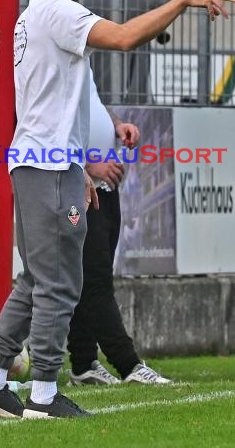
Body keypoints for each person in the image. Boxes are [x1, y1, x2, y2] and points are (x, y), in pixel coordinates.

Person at [0, 0, 235, 420]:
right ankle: (44, 396)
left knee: (36, 280)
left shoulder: (36, 14)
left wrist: (80, 169)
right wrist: (182, 1)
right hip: (48, 168)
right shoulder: (59, 11)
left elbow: (59, 104)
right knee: (61, 283)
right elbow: (125, 36)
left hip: (46, 164)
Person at [67, 75, 172, 386]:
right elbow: (45, 130)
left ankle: (83, 364)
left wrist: (115, 123)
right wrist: (87, 165)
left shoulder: (80, 62)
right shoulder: (53, 64)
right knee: (93, 279)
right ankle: (129, 365)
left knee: (87, 280)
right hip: (77, 194)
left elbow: (93, 106)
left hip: (104, 191)